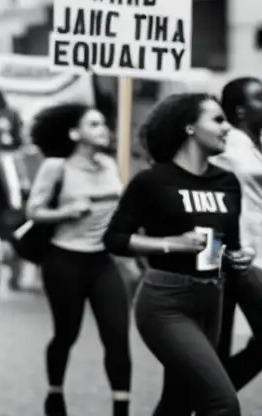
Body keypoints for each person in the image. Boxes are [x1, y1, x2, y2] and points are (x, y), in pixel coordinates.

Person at [104, 93, 255, 416]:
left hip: (211, 299)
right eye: (217, 119)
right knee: (222, 404)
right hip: (166, 303)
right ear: (189, 127)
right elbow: (114, 239)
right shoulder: (152, 181)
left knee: (178, 403)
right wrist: (169, 243)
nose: (227, 127)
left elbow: (226, 245)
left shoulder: (226, 182)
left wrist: (239, 256)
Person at [26, 102, 130, 416]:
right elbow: (34, 211)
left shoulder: (110, 166)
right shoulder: (56, 167)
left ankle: (121, 407)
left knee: (117, 335)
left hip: (102, 262)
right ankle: (54, 394)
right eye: (94, 124)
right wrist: (67, 212)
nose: (104, 130)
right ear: (75, 133)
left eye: (103, 124)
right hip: (64, 261)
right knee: (66, 334)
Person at [215, 76, 262, 389]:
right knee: (215, 346)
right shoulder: (226, 145)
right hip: (233, 258)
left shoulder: (255, 145)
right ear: (241, 111)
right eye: (259, 97)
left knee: (214, 354)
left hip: (254, 257)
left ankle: (211, 398)